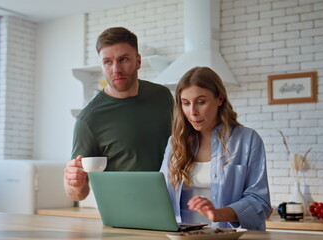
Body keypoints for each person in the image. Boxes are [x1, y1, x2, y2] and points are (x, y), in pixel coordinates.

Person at [64, 27, 174, 201]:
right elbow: (78, 194)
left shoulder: (162, 96)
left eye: (123, 59)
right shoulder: (89, 119)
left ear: (138, 61)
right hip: (124, 210)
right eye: (107, 61)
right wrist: (74, 182)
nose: (116, 69)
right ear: (101, 66)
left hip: (174, 204)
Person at [159, 66, 271, 230]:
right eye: (186, 103)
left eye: (201, 102)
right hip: (182, 235)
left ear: (220, 99)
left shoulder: (247, 140)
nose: (193, 112)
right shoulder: (175, 143)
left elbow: (259, 201)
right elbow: (160, 193)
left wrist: (218, 213)